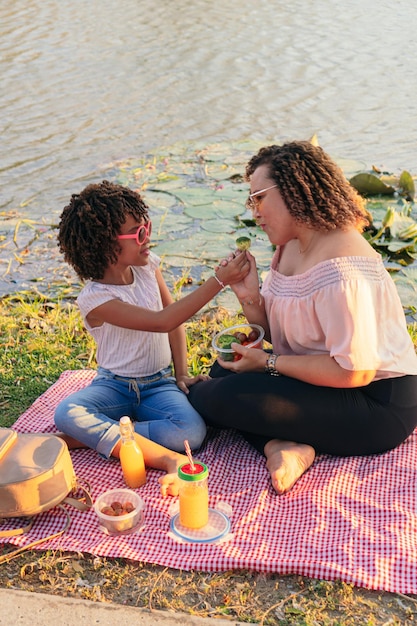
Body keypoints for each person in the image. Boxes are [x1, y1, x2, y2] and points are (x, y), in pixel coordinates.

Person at [188, 140, 417, 495]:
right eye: (251, 201)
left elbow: (355, 371)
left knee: (212, 398)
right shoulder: (291, 243)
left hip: (376, 403)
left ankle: (284, 441)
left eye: (259, 198)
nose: (254, 212)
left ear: (295, 190)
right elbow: (280, 334)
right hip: (319, 380)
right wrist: (249, 294)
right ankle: (282, 446)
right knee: (224, 371)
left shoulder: (343, 270)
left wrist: (267, 363)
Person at [54, 180, 249, 494]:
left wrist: (181, 373)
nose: (148, 237)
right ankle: (157, 454)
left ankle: (91, 437)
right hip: (113, 386)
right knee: (66, 412)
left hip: (158, 384)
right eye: (139, 233)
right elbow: (162, 321)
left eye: (147, 226)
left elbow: (174, 324)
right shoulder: (96, 298)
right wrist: (218, 281)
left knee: (191, 432)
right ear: (106, 245)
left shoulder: (148, 268)